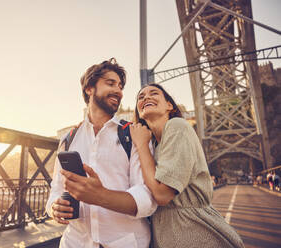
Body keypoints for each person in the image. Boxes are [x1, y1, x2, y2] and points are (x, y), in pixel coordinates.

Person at [45, 58, 157, 248]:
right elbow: (55, 191)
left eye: (120, 86)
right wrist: (55, 208)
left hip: (126, 243)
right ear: (89, 88)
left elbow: (147, 198)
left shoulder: (133, 134)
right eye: (110, 83)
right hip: (75, 243)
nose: (118, 91)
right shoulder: (68, 139)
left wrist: (100, 196)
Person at [129, 83, 244, 248]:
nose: (146, 97)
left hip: (196, 232)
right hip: (167, 234)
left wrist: (140, 145)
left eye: (154, 93)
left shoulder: (177, 127)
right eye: (141, 97)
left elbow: (162, 194)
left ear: (169, 105)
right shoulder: (153, 145)